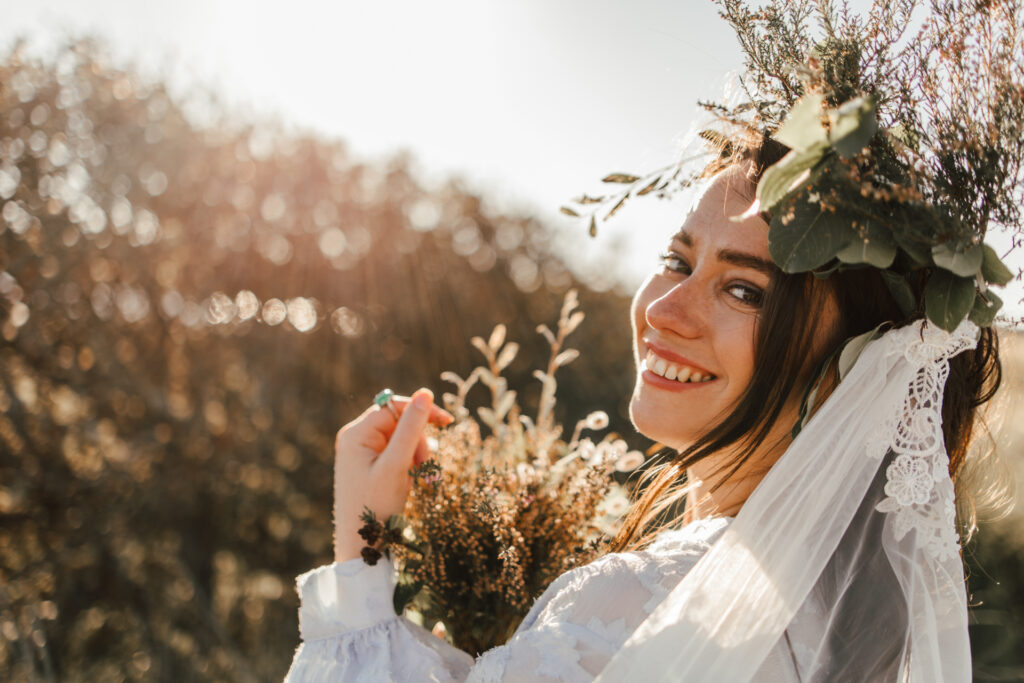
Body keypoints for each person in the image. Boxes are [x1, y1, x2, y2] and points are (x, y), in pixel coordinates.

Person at [281, 131, 1002, 682]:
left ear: (848, 375)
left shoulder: (638, 606)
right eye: (679, 261)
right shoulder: (866, 628)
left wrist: (361, 558)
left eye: (744, 290)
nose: (666, 309)